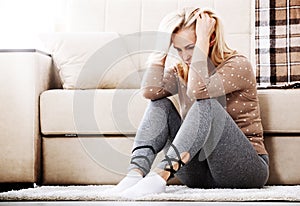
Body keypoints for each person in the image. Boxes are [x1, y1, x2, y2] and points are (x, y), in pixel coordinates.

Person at [110, 7, 269, 199]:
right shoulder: (181, 69)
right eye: (178, 49)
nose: (184, 56)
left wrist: (201, 40)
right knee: (159, 104)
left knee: (206, 105)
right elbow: (150, 91)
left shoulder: (237, 65)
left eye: (190, 47)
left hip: (244, 170)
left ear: (210, 39)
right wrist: (160, 50)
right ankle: (135, 174)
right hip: (198, 171)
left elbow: (198, 91)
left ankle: (159, 176)